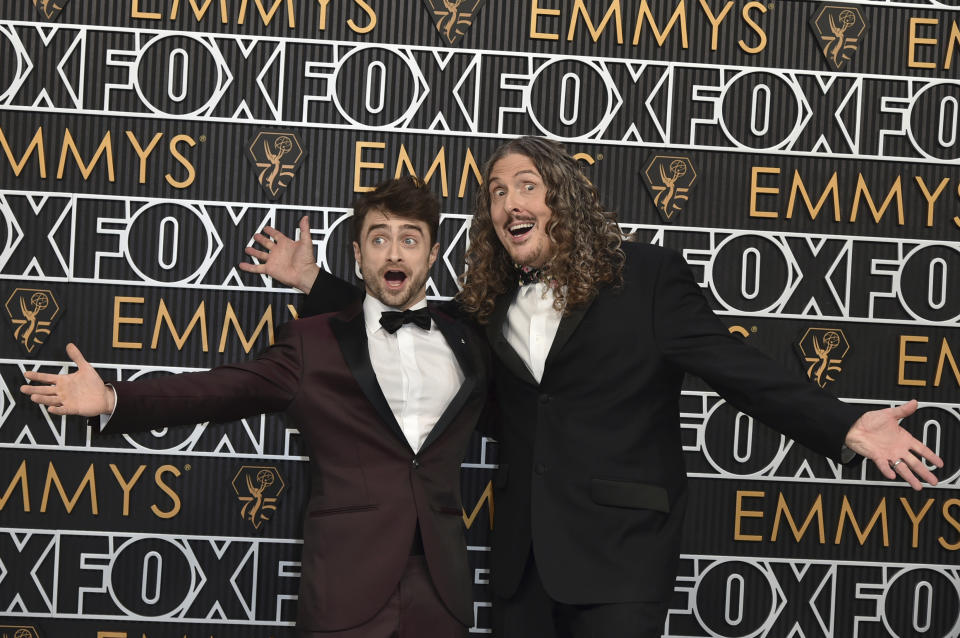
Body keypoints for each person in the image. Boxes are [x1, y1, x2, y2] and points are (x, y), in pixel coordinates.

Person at [240, 137, 944, 638]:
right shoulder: (485, 309)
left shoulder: (647, 279)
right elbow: (408, 321)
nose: (509, 201)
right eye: (495, 192)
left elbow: (736, 367)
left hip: (621, 556)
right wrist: (314, 283)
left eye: (526, 186)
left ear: (562, 200)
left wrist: (844, 427)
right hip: (521, 562)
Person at [21, 177, 490, 638]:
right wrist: (112, 398)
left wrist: (311, 278)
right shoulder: (314, 344)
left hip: (441, 591)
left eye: (410, 239)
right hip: (347, 589)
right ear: (356, 253)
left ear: (431, 254)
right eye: (379, 238)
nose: (393, 253)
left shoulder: (468, 337)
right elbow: (226, 389)